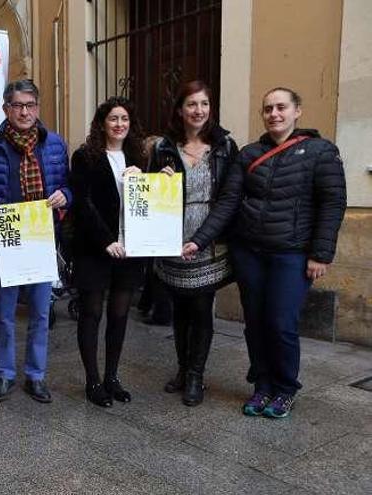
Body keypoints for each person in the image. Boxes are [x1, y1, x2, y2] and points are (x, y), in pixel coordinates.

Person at [183, 87, 346, 418]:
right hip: (250, 253)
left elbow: (332, 203)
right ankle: (262, 385)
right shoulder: (249, 153)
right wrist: (200, 240)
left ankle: (285, 388)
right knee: (255, 322)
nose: (274, 114)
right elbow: (229, 201)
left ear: (297, 111)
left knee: (281, 321)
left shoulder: (320, 151)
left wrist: (321, 254)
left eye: (281, 107)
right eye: (268, 108)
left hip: (293, 254)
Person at [0, 79, 71, 404]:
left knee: (41, 312)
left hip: (40, 240)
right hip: (5, 239)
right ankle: (5, 373)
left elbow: (70, 187)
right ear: (6, 109)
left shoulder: (54, 144)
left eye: (30, 105)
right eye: (17, 106)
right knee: (5, 313)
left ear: (37, 108)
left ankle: (36, 376)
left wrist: (64, 196)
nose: (24, 112)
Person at [146, 80, 238, 407]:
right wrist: (159, 179)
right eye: (191, 104)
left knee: (201, 308)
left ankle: (197, 375)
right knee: (180, 308)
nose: (198, 110)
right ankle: (183, 370)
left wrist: (204, 238)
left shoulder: (225, 146)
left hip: (209, 240)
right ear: (180, 110)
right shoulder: (163, 148)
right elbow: (146, 193)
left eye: (204, 104)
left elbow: (231, 196)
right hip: (172, 240)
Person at [68, 97, 145, 408]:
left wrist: (157, 177)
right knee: (91, 313)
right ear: (101, 123)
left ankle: (112, 377)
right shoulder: (85, 156)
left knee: (120, 314)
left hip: (131, 248)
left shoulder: (138, 155)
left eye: (124, 118)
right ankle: (93, 380)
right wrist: (105, 240)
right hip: (94, 248)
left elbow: (150, 198)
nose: (119, 124)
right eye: (113, 118)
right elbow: (83, 203)